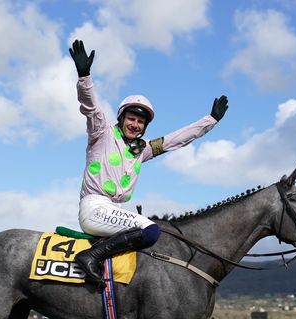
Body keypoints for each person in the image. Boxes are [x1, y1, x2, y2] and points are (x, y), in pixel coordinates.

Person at [68, 39, 229, 282]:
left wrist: (210, 120)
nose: (135, 124)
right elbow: (91, 108)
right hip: (95, 207)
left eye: (140, 122)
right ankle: (90, 257)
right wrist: (84, 76)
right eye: (131, 118)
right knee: (151, 230)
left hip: (113, 210)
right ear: (122, 118)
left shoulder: (141, 150)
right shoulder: (101, 133)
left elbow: (176, 140)